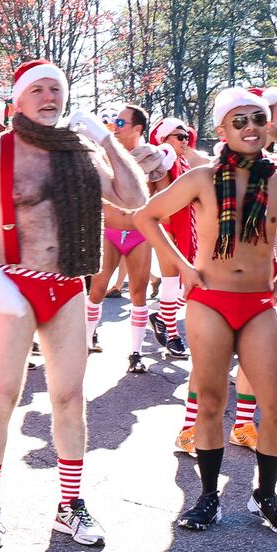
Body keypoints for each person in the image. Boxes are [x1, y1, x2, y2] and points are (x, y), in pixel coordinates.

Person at [0, 60, 147, 550]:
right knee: (0, 397)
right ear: (17, 101)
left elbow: (134, 199)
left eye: (56, 90)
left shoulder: (80, 150)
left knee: (69, 399)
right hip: (13, 282)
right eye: (38, 90)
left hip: (66, 285)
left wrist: (106, 141)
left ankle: (70, 506)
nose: (49, 97)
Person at [135, 88, 277, 537]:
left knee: (275, 406)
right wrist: (180, 266)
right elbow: (147, 216)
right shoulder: (202, 177)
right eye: (239, 121)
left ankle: (266, 497)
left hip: (258, 303)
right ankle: (208, 496)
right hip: (210, 301)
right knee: (210, 402)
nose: (251, 126)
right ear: (221, 130)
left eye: (258, 118)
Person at [84, 104, 168, 373]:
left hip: (138, 235)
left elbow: (165, 198)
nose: (114, 128)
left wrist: (150, 219)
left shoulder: (153, 160)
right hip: (107, 231)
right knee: (96, 290)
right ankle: (86, 341)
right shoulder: (105, 155)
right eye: (113, 123)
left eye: (121, 123)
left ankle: (135, 353)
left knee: (138, 294)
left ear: (137, 128)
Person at [146, 117, 208, 359]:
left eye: (186, 137)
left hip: (186, 228)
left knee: (188, 282)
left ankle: (162, 317)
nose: (186, 141)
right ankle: (172, 335)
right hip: (166, 228)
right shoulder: (162, 160)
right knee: (173, 282)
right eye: (179, 137)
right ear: (165, 138)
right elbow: (160, 198)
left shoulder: (183, 162)